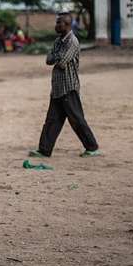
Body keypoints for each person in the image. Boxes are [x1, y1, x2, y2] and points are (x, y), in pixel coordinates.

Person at [29, 13, 101, 158]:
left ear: (67, 24)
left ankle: (92, 147)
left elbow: (61, 63)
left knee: (77, 119)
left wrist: (56, 56)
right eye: (56, 23)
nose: (56, 26)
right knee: (52, 120)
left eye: (59, 23)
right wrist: (56, 56)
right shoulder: (59, 41)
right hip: (57, 88)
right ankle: (44, 150)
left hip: (69, 87)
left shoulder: (72, 42)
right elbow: (48, 60)